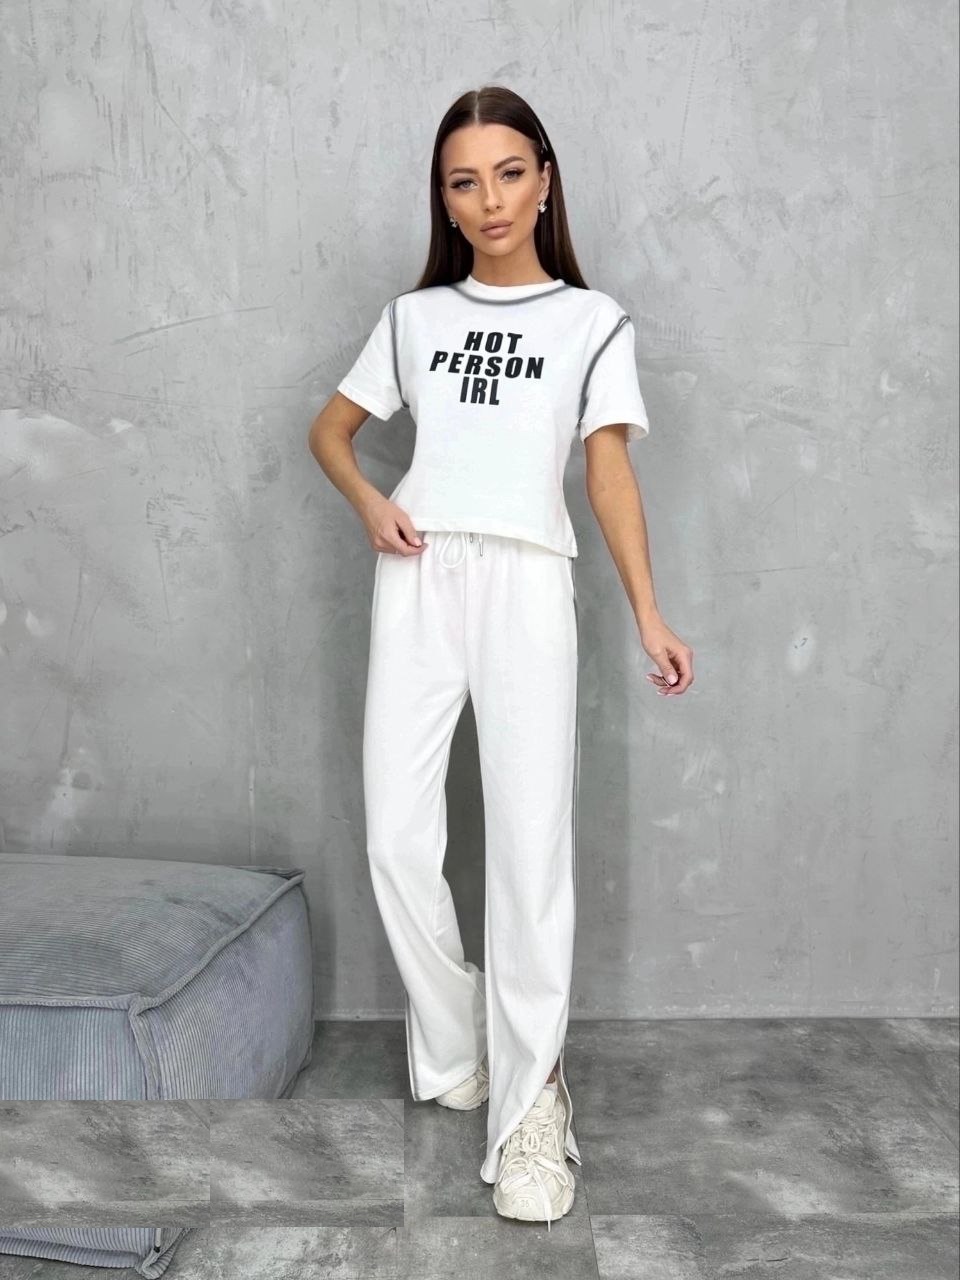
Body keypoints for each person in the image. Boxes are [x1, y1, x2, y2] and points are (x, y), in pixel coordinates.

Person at [307, 84, 694, 1228]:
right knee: (394, 836)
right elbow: (330, 430)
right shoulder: (413, 318)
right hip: (419, 572)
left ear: (545, 180)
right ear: (445, 197)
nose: (490, 200)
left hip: (527, 580)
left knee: (528, 850)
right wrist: (370, 502)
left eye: (510, 173)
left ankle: (533, 1102)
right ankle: (459, 1035)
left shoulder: (593, 321)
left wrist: (649, 612)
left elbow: (607, 472)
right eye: (465, 181)